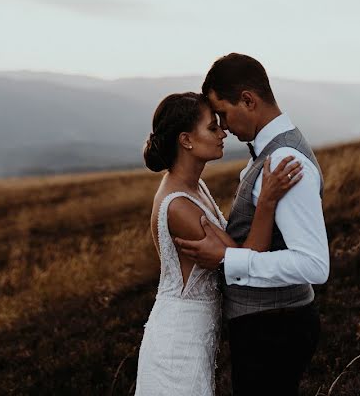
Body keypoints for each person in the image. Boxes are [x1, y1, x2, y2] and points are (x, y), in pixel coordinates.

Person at [175, 53, 330, 396]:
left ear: (248, 100)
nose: (224, 127)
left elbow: (314, 264)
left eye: (224, 114)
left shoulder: (285, 160)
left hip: (274, 329)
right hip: (269, 325)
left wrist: (228, 259)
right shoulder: (270, 153)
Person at [135, 91, 304, 396]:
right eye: (212, 127)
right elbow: (248, 260)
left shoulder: (195, 186)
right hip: (178, 346)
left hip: (195, 340)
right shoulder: (178, 206)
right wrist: (266, 201)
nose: (223, 132)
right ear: (186, 140)